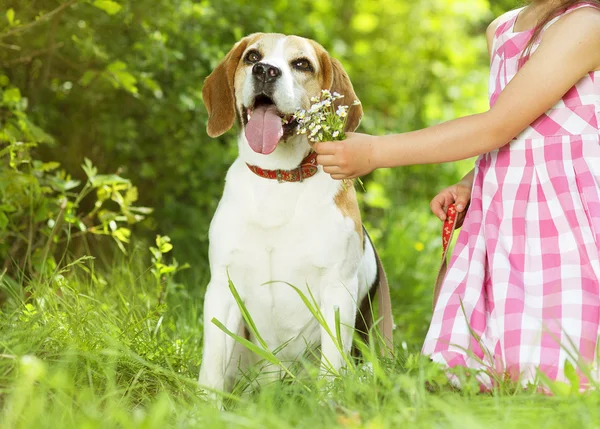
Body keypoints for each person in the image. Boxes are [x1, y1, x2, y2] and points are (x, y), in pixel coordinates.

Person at [315, 0, 600, 388]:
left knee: (565, 331)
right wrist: (470, 181)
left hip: (568, 202)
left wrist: (375, 152)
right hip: (509, 205)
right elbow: (519, 127)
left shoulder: (586, 23)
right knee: (506, 318)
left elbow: (495, 126)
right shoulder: (503, 27)